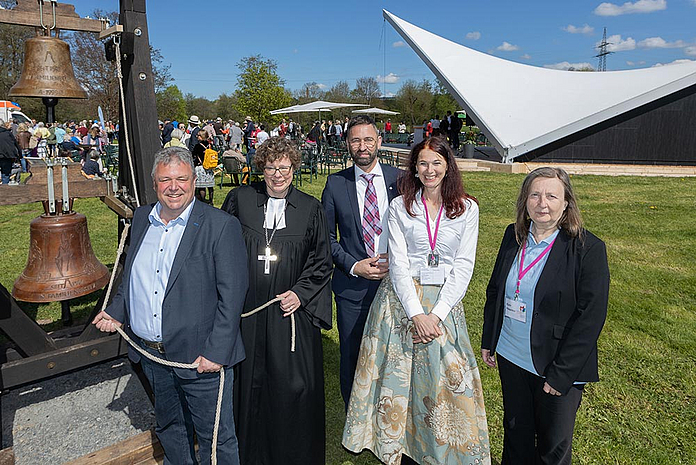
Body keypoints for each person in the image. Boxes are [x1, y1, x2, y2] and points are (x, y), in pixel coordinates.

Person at [93, 146, 248, 465]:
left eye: (181, 178)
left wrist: (216, 352)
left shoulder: (220, 226)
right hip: (152, 356)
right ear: (154, 183)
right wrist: (117, 311)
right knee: (171, 428)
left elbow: (232, 296)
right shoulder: (140, 219)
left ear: (194, 180)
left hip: (200, 359)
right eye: (166, 179)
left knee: (214, 437)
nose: (173, 186)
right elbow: (132, 277)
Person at [342, 135, 491, 465]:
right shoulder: (399, 207)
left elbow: (464, 265)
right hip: (401, 301)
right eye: (423, 163)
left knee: (446, 381)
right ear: (414, 168)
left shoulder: (468, 208)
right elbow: (398, 261)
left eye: (436, 163)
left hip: (444, 303)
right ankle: (398, 443)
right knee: (398, 380)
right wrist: (415, 314)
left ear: (448, 166)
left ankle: (441, 447)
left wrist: (435, 315)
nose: (429, 169)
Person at [481, 167, 610, 465]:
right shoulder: (513, 237)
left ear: (566, 203)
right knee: (516, 435)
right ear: (524, 201)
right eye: (535, 194)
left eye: (552, 196)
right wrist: (490, 337)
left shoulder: (587, 249)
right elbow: (495, 290)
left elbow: (590, 319)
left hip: (555, 365)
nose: (542, 203)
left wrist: (561, 374)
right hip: (512, 357)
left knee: (552, 448)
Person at [221, 136, 332, 465]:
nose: (278, 174)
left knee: (290, 387)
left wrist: (299, 293)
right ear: (261, 168)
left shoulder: (311, 209)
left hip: (289, 315)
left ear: (294, 168)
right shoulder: (240, 200)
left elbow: (321, 261)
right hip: (248, 313)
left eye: (284, 167)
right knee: (246, 386)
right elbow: (220, 246)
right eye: (271, 168)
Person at [321, 115, 401, 409]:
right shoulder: (335, 184)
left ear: (379, 141)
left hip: (396, 286)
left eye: (368, 139)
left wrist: (397, 260)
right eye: (356, 140)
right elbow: (325, 239)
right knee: (353, 355)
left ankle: (388, 414)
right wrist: (354, 266)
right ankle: (355, 417)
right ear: (347, 144)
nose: (362, 146)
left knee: (394, 355)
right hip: (352, 289)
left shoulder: (401, 179)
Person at [191, 129, 216, 205]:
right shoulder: (210, 145)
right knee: (210, 185)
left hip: (201, 167)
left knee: (202, 186)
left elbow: (193, 155)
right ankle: (211, 200)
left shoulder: (198, 146)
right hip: (209, 167)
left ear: (201, 136)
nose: (197, 137)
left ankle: (203, 200)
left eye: (198, 135)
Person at [0, 119, 20, 184]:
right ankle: (5, 189)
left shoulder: (8, 133)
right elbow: (15, 144)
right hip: (7, 155)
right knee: (6, 173)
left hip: (5, 155)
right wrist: (19, 155)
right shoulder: (8, 134)